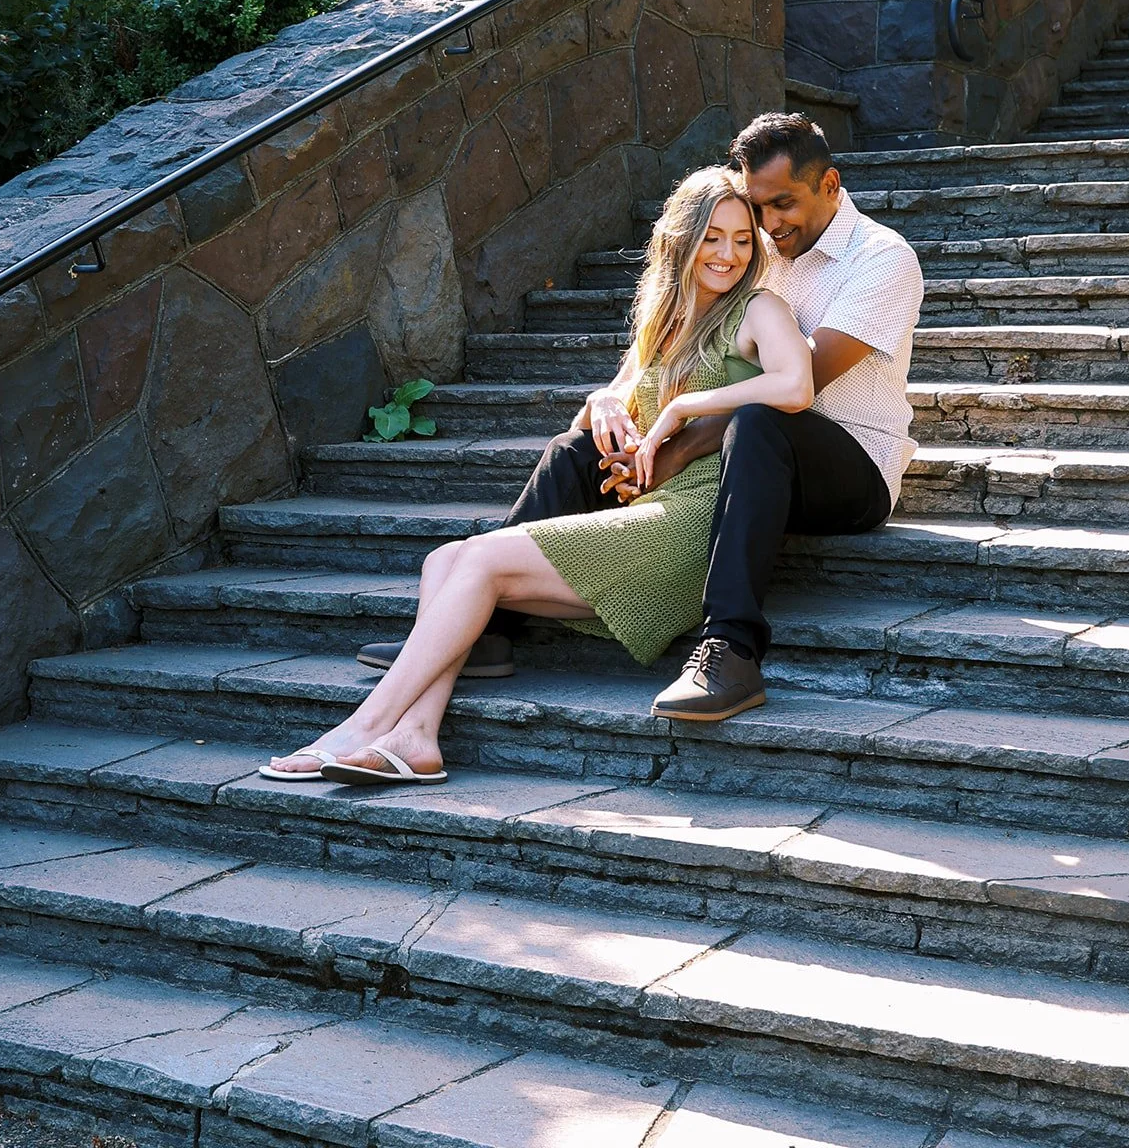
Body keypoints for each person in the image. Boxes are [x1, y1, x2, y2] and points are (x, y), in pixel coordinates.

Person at [359, 110, 925, 724]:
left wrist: (673, 446)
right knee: (576, 448)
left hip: (847, 465)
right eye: (758, 206)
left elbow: (798, 388)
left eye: (782, 205)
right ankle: (488, 628)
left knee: (759, 423)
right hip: (743, 455)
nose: (766, 225)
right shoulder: (755, 242)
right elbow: (672, 349)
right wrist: (612, 408)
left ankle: (731, 651)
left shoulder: (880, 259)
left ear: (831, 185)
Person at [263, 165, 814, 785]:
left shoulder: (759, 309)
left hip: (700, 523)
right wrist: (602, 400)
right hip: (646, 514)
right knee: (444, 559)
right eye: (714, 237)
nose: (729, 254)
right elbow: (615, 399)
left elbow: (796, 386)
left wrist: (686, 407)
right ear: (682, 240)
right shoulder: (665, 321)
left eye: (743, 240)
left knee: (475, 563)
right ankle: (416, 737)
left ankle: (362, 726)